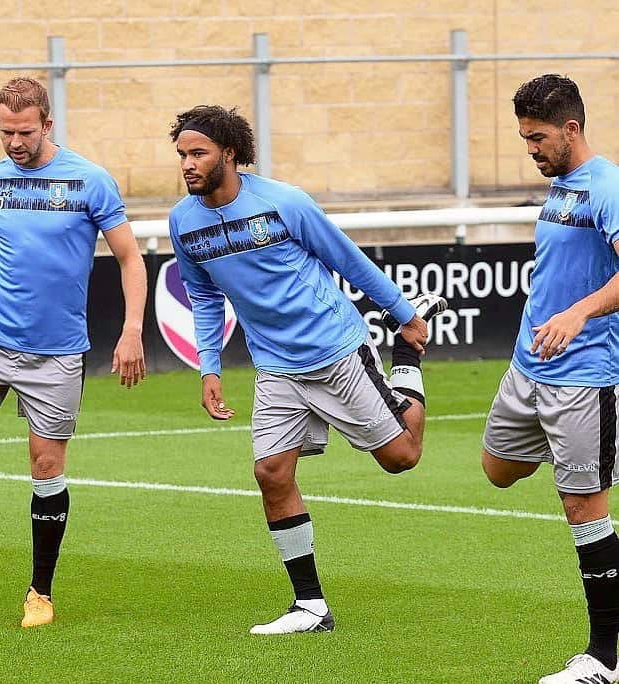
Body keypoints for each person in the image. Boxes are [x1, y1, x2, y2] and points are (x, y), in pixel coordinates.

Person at [168, 104, 447, 635]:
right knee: (271, 473)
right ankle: (310, 606)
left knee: (401, 458)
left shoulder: (285, 202)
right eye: (181, 154)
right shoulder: (184, 220)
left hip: (334, 350)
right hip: (275, 367)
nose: (187, 163)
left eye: (198, 152)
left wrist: (405, 317)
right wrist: (209, 368)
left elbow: (348, 260)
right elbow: (203, 296)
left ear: (230, 153)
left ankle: (404, 361)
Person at [0, 77, 147, 628]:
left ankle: (40, 593)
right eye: (5, 131)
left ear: (47, 125)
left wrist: (130, 331)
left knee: (46, 468)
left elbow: (130, 259)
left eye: (24, 132)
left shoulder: (88, 180)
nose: (14, 142)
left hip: (55, 355)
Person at [481, 74, 619, 684]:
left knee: (582, 506)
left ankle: (605, 657)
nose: (530, 149)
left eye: (537, 138)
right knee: (498, 470)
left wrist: (579, 311)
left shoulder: (607, 187)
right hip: (527, 367)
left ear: (571, 129)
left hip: (584, 377)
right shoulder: (562, 185)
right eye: (523, 138)